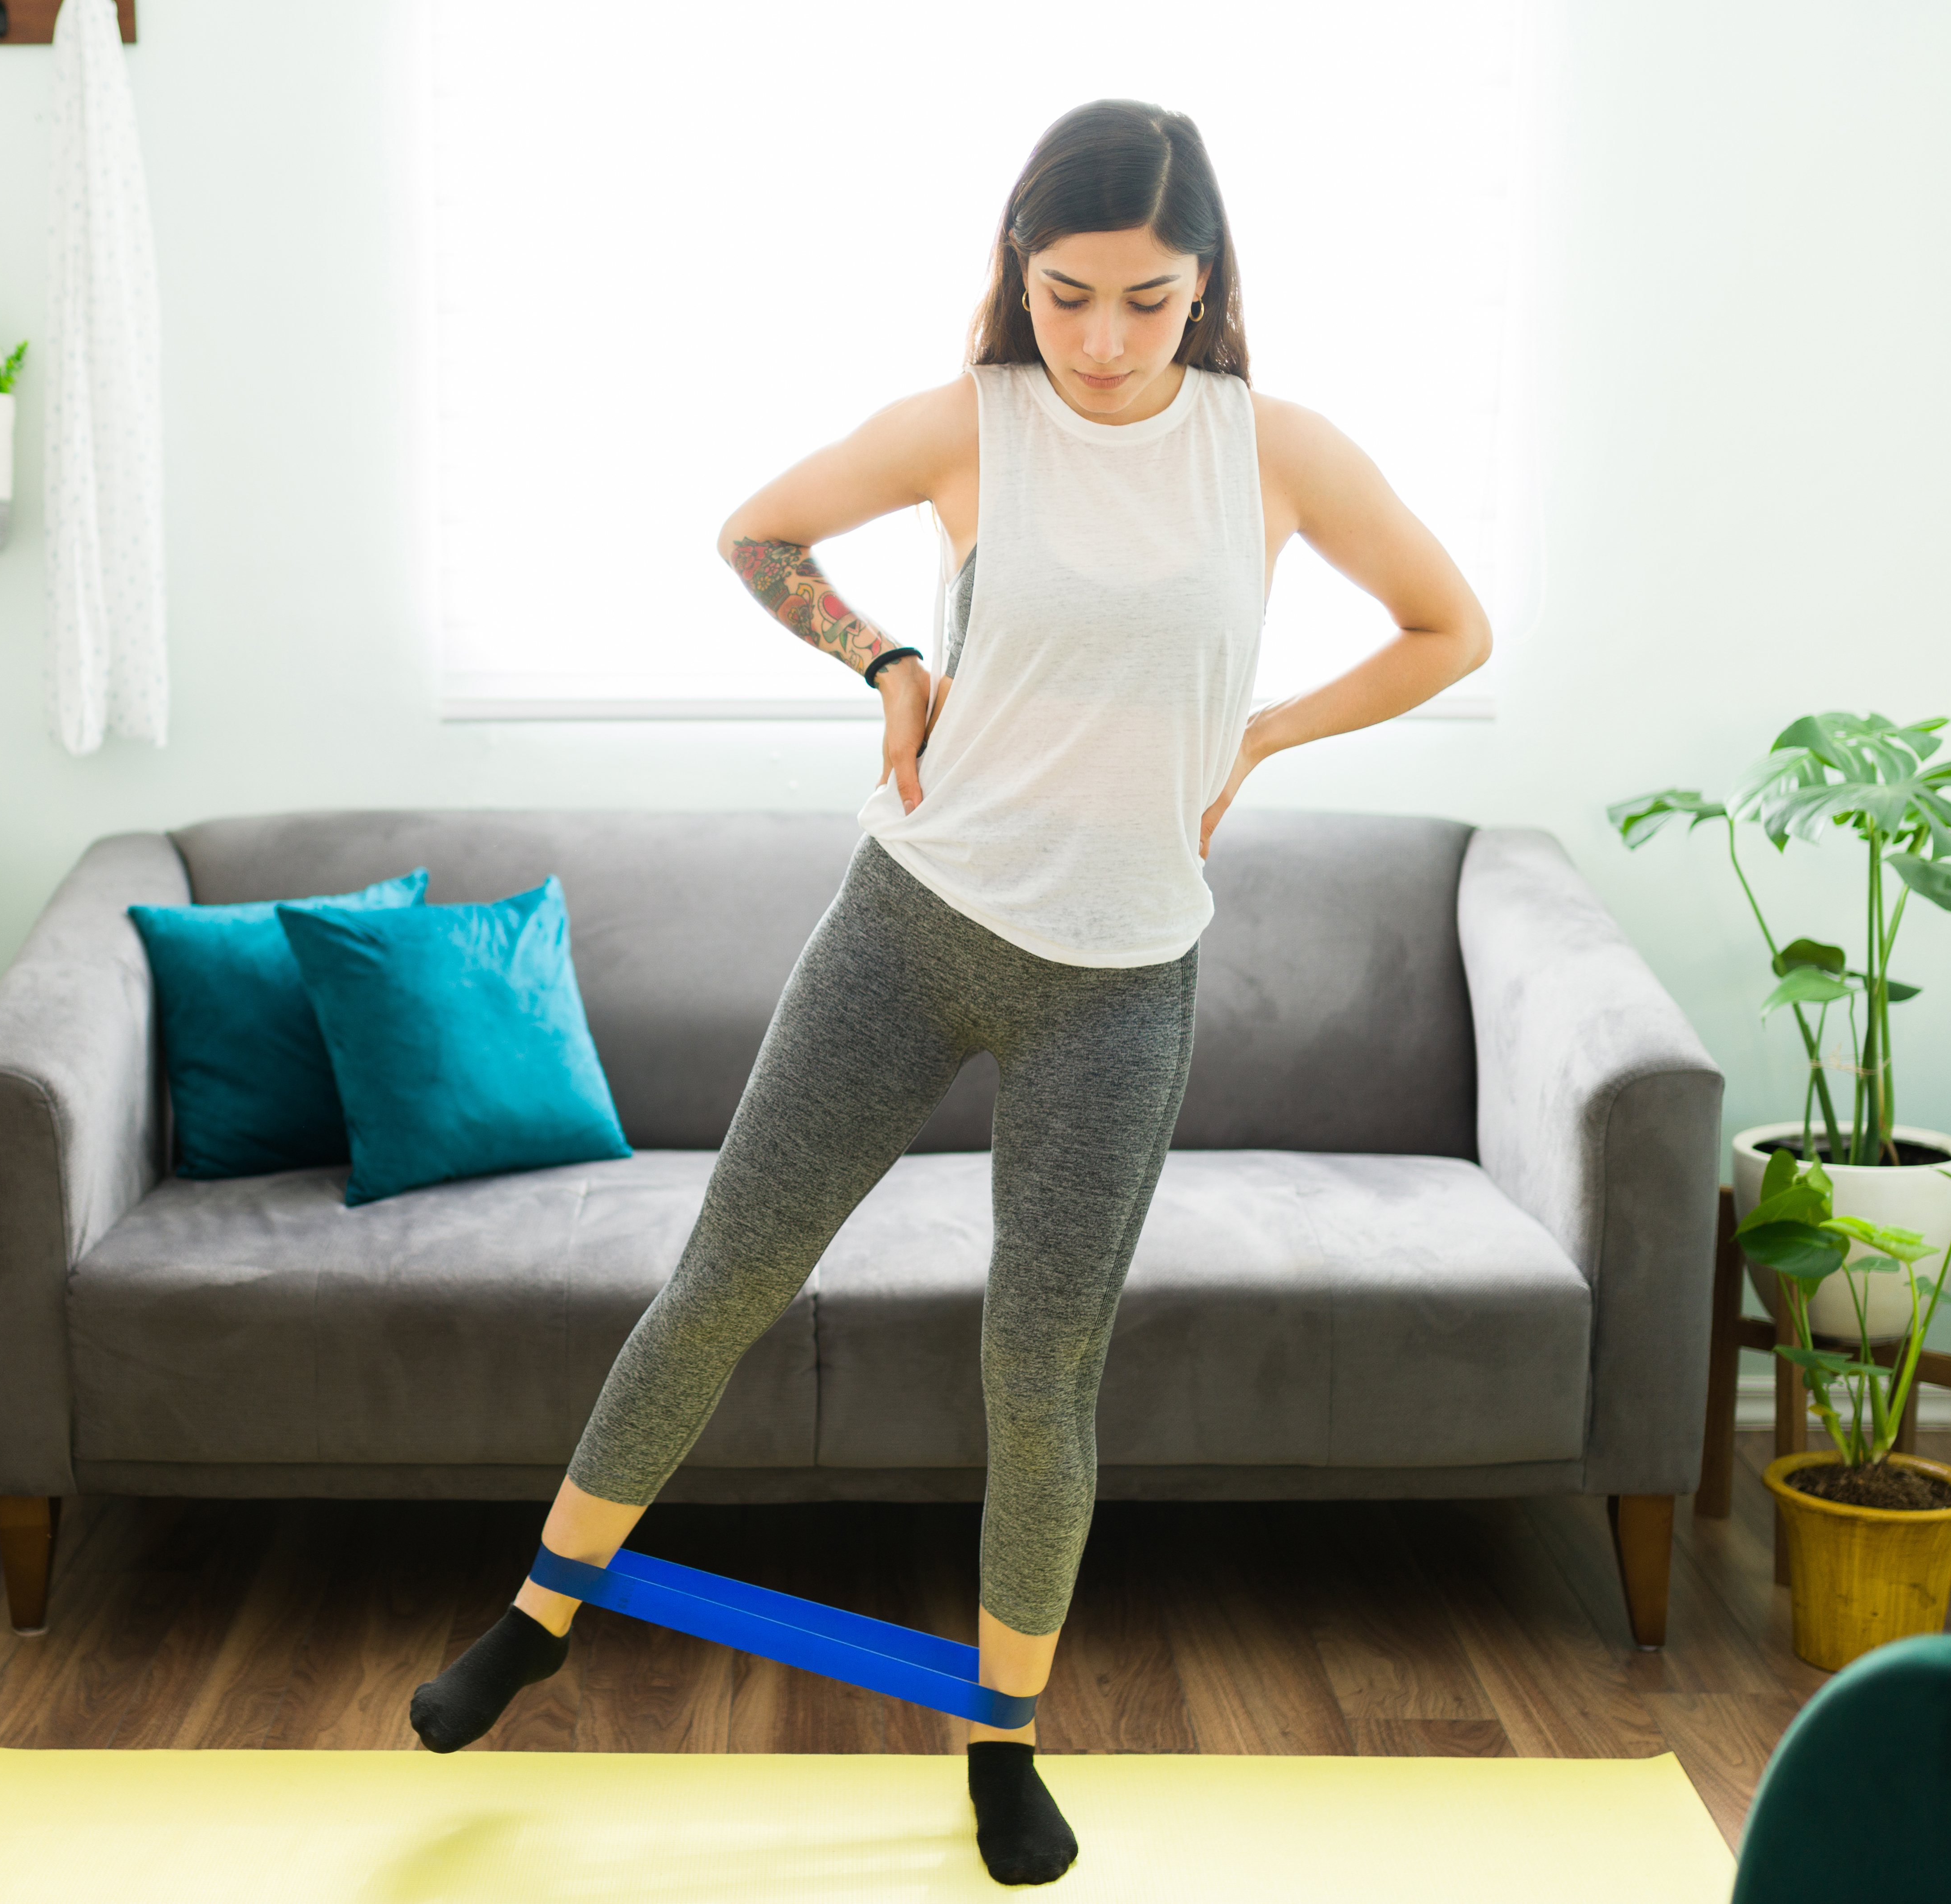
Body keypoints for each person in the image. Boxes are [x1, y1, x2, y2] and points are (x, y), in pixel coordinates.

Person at [407, 97, 1491, 1887]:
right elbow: (757, 535)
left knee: (1040, 1362)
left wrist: (1271, 727)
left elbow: (1451, 626)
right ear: (1019, 270)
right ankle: (535, 1614)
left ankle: (1002, 1736)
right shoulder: (970, 424)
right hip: (909, 926)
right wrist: (890, 657)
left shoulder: (1277, 453)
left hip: (1123, 979)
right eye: (1067, 294)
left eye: (1148, 300)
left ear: (1207, 284)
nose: (1104, 340)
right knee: (726, 1276)